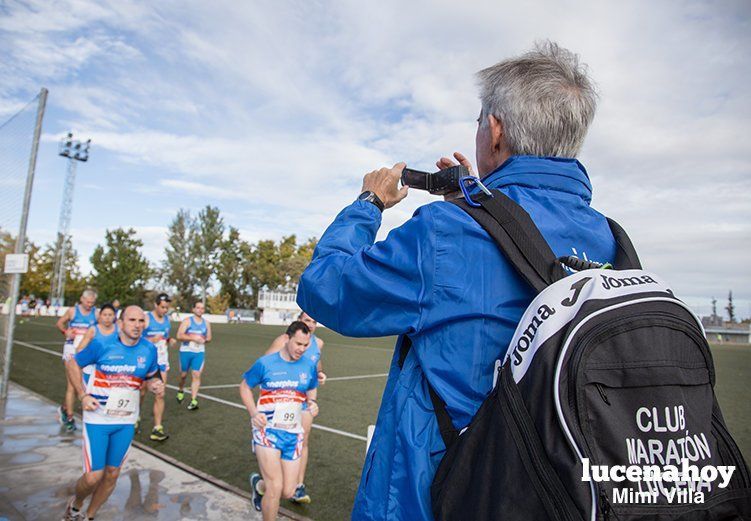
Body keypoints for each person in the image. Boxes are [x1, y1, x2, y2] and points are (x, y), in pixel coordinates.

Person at [296, 42, 618, 520]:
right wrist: (486, 208)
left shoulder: (446, 233)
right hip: (559, 495)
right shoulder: (612, 240)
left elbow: (325, 286)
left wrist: (368, 204)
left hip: (443, 497)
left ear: (495, 131)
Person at [61, 305, 163, 521]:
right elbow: (73, 363)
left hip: (125, 420)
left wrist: (155, 385)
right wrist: (82, 395)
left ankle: (89, 516)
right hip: (98, 418)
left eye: (141, 321)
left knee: (112, 474)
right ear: (121, 322)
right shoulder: (102, 344)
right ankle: (76, 505)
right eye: (132, 320)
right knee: (93, 477)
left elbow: (153, 376)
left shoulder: (149, 349)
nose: (137, 325)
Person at [241, 321, 319, 520]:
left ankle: (259, 485)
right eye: (298, 344)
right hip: (267, 431)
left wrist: (312, 402)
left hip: (293, 433)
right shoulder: (266, 363)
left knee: (288, 491)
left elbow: (311, 387)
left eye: (305, 345)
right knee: (275, 488)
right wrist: (253, 413)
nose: (301, 349)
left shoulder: (308, 366)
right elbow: (244, 387)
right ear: (287, 339)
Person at [264, 311, 326, 503]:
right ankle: (270, 483)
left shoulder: (319, 343)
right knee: (278, 442)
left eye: (314, 321)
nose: (311, 324)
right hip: (283, 400)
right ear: (299, 321)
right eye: (307, 320)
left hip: (306, 400)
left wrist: (320, 374)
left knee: (303, 441)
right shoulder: (283, 340)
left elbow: (317, 365)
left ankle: (298, 486)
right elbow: (265, 365)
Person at [56, 289, 99, 432]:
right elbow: (60, 323)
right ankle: (69, 417)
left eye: (92, 303)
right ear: (82, 299)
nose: (89, 305)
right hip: (71, 350)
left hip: (87, 352)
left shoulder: (96, 313)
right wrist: (65, 332)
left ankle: (65, 407)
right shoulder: (72, 311)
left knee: (85, 383)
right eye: (87, 302)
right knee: (72, 385)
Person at [142, 293, 175, 441]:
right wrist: (149, 339)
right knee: (141, 392)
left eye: (167, 307)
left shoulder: (167, 320)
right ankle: (135, 417)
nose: (165, 310)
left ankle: (157, 428)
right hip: (145, 362)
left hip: (161, 361)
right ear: (155, 305)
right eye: (162, 307)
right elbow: (135, 338)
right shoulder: (146, 319)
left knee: (160, 393)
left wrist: (170, 340)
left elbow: (164, 337)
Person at [176, 301, 212, 410]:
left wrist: (203, 339)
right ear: (193, 309)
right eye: (198, 308)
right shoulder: (187, 321)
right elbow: (179, 335)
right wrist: (193, 338)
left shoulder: (206, 323)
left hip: (199, 352)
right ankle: (181, 389)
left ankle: (193, 400)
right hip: (186, 351)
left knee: (196, 374)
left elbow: (209, 338)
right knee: (183, 375)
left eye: (202, 308)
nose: (200, 310)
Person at [76, 303, 118, 387]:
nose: (107, 317)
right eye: (105, 315)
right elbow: (79, 349)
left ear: (114, 316)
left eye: (110, 315)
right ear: (100, 315)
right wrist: (94, 356)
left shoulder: (119, 330)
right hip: (92, 371)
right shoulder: (93, 330)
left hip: (111, 371)